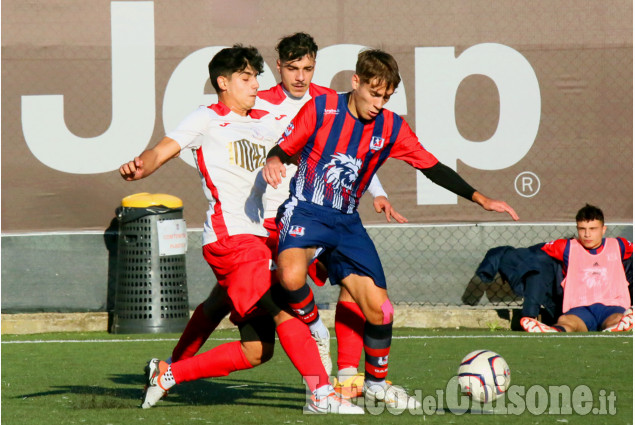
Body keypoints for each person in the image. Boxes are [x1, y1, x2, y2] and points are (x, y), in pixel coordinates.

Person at [263, 48, 519, 409]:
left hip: (347, 223)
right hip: (307, 210)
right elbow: (284, 148)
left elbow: (431, 166)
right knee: (290, 276)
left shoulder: (391, 126)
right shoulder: (321, 109)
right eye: (373, 93)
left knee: (381, 311)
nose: (378, 103)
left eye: (386, 97)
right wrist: (274, 158)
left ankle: (376, 385)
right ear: (356, 82)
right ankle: (314, 327)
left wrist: (481, 198)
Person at [119, 44, 363, 414]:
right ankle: (320, 393)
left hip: (263, 236)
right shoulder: (207, 118)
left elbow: (309, 148)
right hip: (231, 238)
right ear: (223, 82)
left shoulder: (267, 119)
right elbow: (162, 150)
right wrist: (143, 166)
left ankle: (168, 372)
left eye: (255, 78)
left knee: (257, 350)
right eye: (245, 78)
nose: (254, 85)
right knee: (286, 307)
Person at [169, 33, 404, 398]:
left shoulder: (330, 100)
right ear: (278, 66)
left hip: (315, 213)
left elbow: (353, 153)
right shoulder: (256, 102)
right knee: (229, 301)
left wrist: (380, 193)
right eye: (292, 68)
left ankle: (345, 375)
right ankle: (175, 367)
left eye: (308, 68)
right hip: (267, 220)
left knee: (351, 281)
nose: (300, 76)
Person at [520, 204, 633, 333]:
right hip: (580, 308)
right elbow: (536, 253)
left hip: (612, 306)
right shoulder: (567, 247)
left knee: (617, 319)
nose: (587, 234)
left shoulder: (619, 245)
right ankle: (553, 331)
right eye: (582, 229)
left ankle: (617, 327)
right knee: (565, 321)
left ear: (603, 229)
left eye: (593, 229)